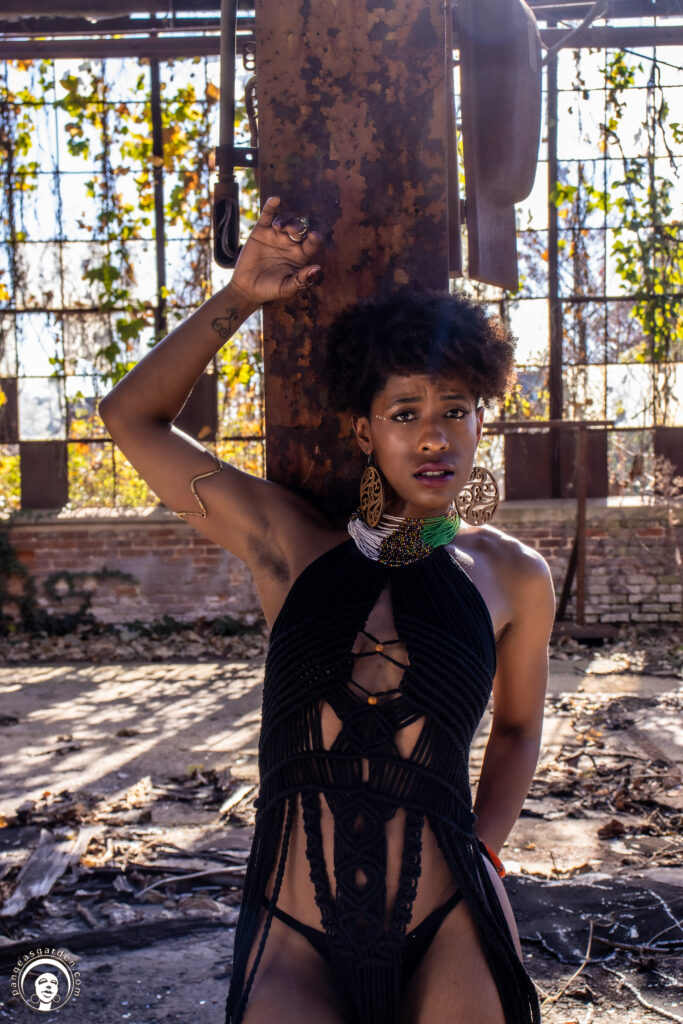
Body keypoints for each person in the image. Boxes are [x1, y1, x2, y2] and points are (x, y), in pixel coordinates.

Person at [100, 195, 555, 1024]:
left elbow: (519, 729)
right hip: (295, 931)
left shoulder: (513, 574)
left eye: (454, 411)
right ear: (364, 432)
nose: (433, 437)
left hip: (449, 920)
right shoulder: (292, 547)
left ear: (480, 420)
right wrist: (240, 297)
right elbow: (129, 418)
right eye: (404, 414)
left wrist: (485, 853)